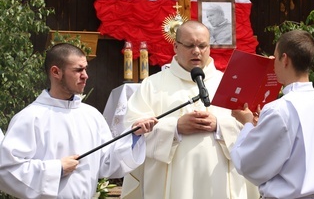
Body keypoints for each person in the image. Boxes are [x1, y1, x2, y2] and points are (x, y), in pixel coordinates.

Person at [121, 20, 259, 199]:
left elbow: (249, 129)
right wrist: (175, 127)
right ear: (176, 47)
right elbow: (132, 132)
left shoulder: (229, 83)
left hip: (220, 183)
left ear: (209, 47)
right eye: (190, 45)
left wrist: (219, 125)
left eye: (202, 46)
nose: (197, 51)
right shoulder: (152, 85)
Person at [0, 43, 158, 198]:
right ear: (56, 72)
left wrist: (134, 135)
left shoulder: (91, 115)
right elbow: (7, 170)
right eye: (78, 70)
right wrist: (57, 169)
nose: (85, 75)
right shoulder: (30, 117)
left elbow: (107, 162)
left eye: (86, 69)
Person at [230, 30, 314, 198]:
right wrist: (263, 125)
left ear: (285, 59)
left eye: (275, 58)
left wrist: (247, 124)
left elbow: (249, 164)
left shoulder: (280, 110)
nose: (273, 64)